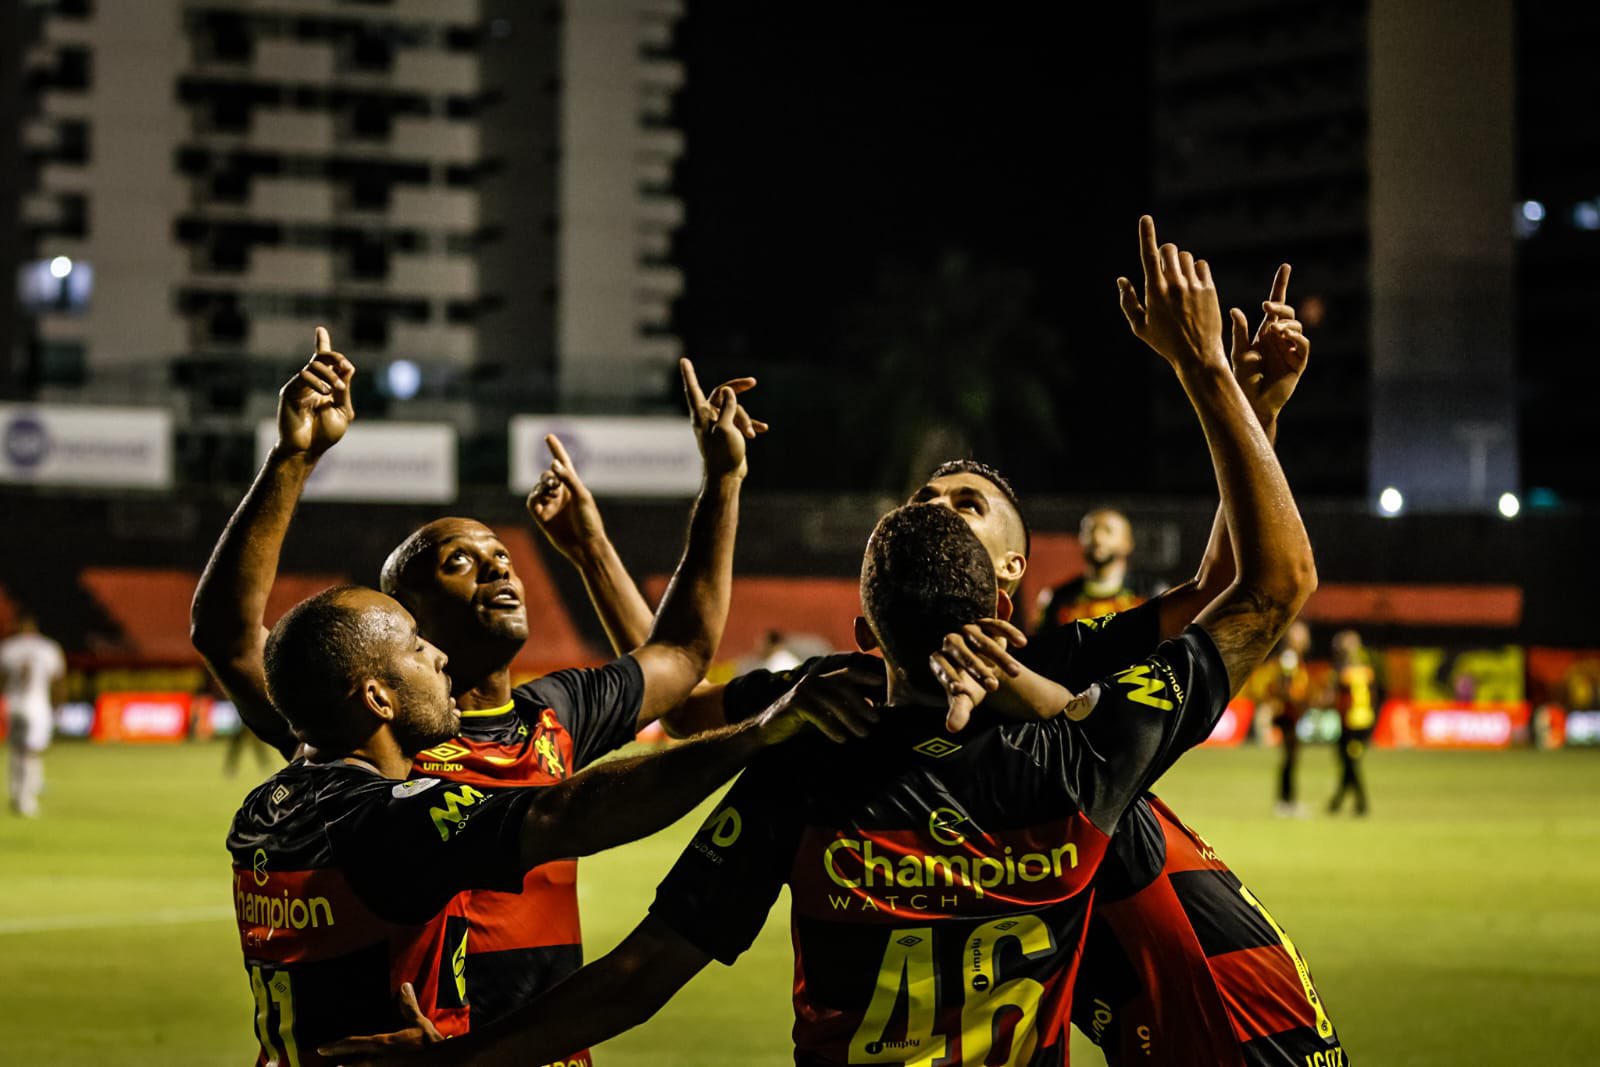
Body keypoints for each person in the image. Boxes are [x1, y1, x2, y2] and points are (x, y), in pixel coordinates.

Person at [321, 215, 1319, 1067]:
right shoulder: (1068, 733)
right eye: (926, 500)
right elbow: (686, 695)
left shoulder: (849, 734)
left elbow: (1227, 590)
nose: (935, 503)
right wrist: (591, 551)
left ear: (1009, 575)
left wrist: (1248, 401)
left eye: (965, 503)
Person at [192, 328, 792, 1046]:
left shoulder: (556, 713)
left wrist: (704, 489)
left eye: (502, 555)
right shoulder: (364, 743)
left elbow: (683, 652)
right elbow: (230, 636)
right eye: (460, 560)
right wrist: (293, 458)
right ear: (407, 618)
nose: (498, 568)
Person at [230, 584, 869, 1067]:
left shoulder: (264, 811)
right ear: (378, 699)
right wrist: (755, 736)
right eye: (418, 649)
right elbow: (566, 813)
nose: (441, 656)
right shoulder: (391, 822)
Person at [1035, 508, 1146, 634]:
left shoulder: (1150, 594)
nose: (1097, 538)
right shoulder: (1058, 599)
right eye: (1090, 530)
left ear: (1127, 542)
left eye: (1107, 531)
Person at [0, 614, 66, 817]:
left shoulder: (8, 647)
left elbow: (2, 678)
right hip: (37, 706)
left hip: (12, 704)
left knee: (17, 750)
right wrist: (58, 706)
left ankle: (17, 791)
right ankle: (26, 799)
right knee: (31, 751)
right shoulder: (48, 647)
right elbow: (57, 680)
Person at [1328, 629, 1377, 816]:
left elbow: (1339, 696)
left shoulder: (1344, 670)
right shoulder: (1366, 667)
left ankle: (1360, 802)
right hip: (1361, 721)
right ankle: (1339, 801)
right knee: (1348, 762)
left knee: (1350, 763)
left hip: (1353, 723)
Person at [1269, 619, 1313, 817]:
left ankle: (1287, 801)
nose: (1303, 638)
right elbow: (1285, 687)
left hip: (1292, 713)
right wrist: (1298, 702)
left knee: (1291, 758)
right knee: (1290, 757)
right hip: (1289, 714)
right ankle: (1286, 802)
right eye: (1299, 634)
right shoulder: (1290, 658)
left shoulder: (1296, 658)